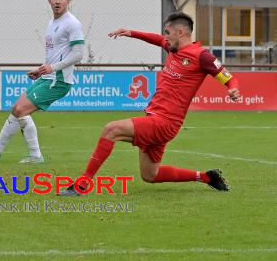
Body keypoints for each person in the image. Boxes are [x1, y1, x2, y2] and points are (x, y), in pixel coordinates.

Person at [60, 12, 241, 196]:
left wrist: (233, 88)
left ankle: (81, 185)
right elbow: (156, 39)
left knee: (111, 130)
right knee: (150, 174)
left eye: (167, 32)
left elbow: (227, 76)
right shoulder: (173, 47)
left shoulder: (202, 56)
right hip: (156, 119)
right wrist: (131, 32)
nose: (165, 36)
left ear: (180, 32)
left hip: (165, 123)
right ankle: (206, 177)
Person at [0, 0, 85, 164]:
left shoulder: (72, 23)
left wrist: (53, 69)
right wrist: (41, 70)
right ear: (49, 0)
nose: (58, 1)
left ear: (68, 1)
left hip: (59, 81)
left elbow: (78, 54)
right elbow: (54, 55)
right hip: (48, 77)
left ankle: (35, 156)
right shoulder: (52, 23)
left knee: (22, 110)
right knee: (16, 109)